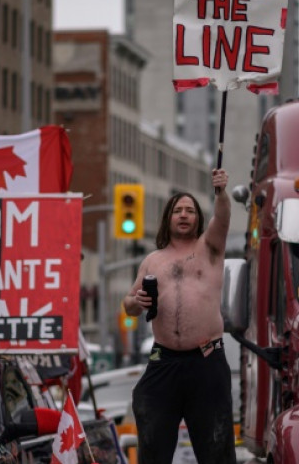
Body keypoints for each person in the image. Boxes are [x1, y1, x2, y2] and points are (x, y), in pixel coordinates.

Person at [122, 168, 234, 464]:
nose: (184, 215)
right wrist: (136, 301)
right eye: (177, 211)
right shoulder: (152, 261)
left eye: (190, 211)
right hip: (164, 361)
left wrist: (221, 193)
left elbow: (222, 217)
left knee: (217, 450)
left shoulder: (210, 247)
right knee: (152, 447)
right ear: (168, 218)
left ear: (198, 218)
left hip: (207, 360)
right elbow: (129, 305)